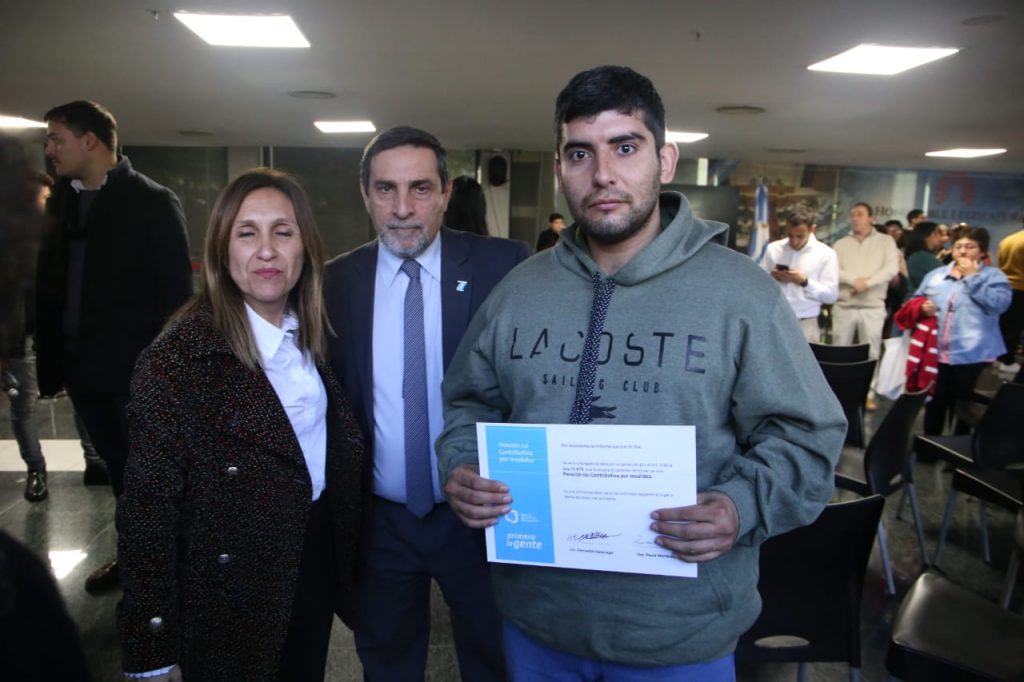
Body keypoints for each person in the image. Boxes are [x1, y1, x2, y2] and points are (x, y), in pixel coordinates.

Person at [436, 65, 845, 680]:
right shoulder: (519, 290)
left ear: (665, 160)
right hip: (537, 620)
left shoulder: (741, 294)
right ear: (560, 171)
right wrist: (463, 464)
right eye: (580, 153)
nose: (603, 174)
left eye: (625, 147)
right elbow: (469, 404)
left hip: (679, 632)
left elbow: (808, 439)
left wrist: (739, 506)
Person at [117, 168, 365, 681]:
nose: (267, 251)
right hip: (229, 595)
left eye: (283, 231)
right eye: (247, 233)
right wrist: (151, 646)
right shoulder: (177, 360)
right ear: (221, 252)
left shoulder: (312, 339)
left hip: (311, 562)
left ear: (306, 248)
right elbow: (147, 511)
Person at [324, 126, 530, 681]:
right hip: (380, 524)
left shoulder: (504, 267)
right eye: (385, 189)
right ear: (365, 194)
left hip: (483, 518)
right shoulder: (333, 283)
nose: (402, 208)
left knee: (495, 659)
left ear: (445, 193)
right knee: (386, 662)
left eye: (419, 188)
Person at [36, 100, 192, 592]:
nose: (49, 149)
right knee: (120, 475)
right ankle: (136, 562)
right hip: (82, 370)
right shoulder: (61, 203)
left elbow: (177, 298)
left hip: (137, 375)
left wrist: (167, 375)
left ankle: (164, 571)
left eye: (56, 138)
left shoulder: (152, 201)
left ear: (90, 141)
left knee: (149, 478)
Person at [0, 133, 91, 681]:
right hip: (23, 345)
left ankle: (62, 464)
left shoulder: (22, 590)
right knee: (24, 407)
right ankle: (38, 467)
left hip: (41, 345)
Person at [909, 226, 1011, 435]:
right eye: (958, 246)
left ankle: (958, 451)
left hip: (974, 355)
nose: (963, 251)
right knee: (935, 405)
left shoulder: (994, 276)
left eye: (970, 246)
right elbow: (915, 299)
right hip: (936, 354)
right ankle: (929, 447)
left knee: (965, 411)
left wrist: (973, 278)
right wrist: (921, 307)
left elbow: (998, 305)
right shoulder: (936, 275)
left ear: (982, 252)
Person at [3, 170, 52, 501]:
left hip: (56, 332)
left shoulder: (57, 238)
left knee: (83, 399)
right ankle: (35, 468)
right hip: (22, 337)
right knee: (24, 405)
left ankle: (94, 460)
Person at [832, 201, 899, 407]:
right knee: (839, 351)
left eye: (860, 214)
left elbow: (891, 269)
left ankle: (867, 393)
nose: (855, 218)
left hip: (873, 307)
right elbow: (833, 269)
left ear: (872, 218)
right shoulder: (841, 243)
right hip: (844, 305)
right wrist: (854, 280)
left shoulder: (886, 241)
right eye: (853, 214)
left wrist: (867, 284)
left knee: (871, 353)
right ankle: (836, 394)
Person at [762, 206, 838, 342]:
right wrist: (771, 278)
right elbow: (760, 286)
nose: (794, 241)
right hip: (775, 321)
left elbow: (831, 296)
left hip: (806, 324)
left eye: (800, 236)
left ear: (812, 229)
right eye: (790, 235)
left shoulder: (826, 255)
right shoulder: (773, 249)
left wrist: (804, 282)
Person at [995, 220, 1024, 376]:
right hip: (1021, 288)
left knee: (1004, 326)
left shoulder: (1007, 240)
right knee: (1014, 328)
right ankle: (1008, 360)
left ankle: (999, 358)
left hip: (1004, 286)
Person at [903, 221, 945, 298]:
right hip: (920, 301)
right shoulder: (922, 257)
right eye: (937, 234)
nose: (940, 238)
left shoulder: (917, 255)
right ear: (927, 236)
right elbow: (945, 278)